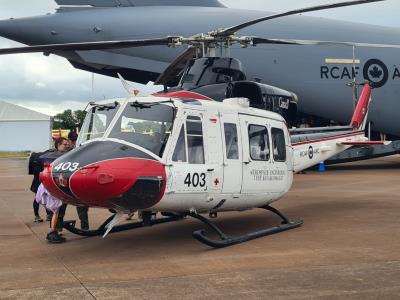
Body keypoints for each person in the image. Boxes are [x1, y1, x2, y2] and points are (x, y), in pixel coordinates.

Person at [29, 151, 53, 222]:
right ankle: (38, 215)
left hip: (40, 182)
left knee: (45, 198)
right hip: (39, 182)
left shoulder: (36, 162)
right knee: (38, 198)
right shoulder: (39, 162)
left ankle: (46, 214)